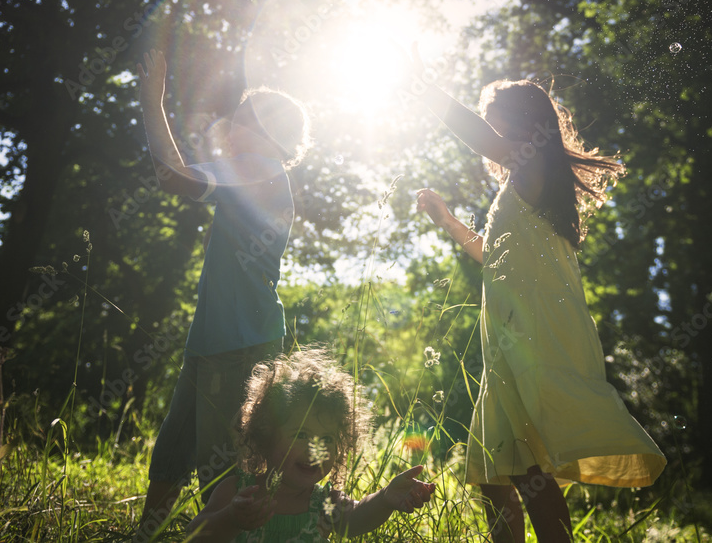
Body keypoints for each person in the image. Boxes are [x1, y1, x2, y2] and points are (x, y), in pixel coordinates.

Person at [413, 70, 666, 543]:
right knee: (493, 472)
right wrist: (446, 219)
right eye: (489, 124)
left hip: (531, 337)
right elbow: (494, 254)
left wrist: (428, 90)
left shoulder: (532, 170)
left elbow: (480, 140)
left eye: (497, 123)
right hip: (508, 340)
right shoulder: (520, 185)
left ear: (529, 126)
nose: (492, 134)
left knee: (527, 471)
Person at [135, 49, 313, 540]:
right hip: (211, 343)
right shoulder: (253, 175)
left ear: (265, 133)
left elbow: (172, 177)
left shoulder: (260, 168)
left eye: (238, 121)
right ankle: (146, 536)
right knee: (172, 450)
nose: (228, 130)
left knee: (221, 474)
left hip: (238, 346)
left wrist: (152, 100)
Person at [187, 347, 436, 541]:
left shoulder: (325, 501)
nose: (315, 449)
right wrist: (231, 518)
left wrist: (384, 498)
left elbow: (355, 520)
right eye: (301, 435)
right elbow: (194, 536)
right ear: (266, 434)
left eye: (327, 439)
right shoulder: (238, 491)